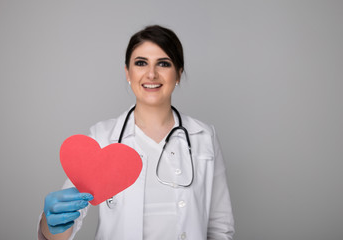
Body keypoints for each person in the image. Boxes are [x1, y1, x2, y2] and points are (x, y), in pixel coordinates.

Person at [38, 25, 235, 240]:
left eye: (164, 63)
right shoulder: (102, 137)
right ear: (127, 73)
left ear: (178, 74)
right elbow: (62, 230)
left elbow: (220, 227)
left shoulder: (204, 136)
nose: (151, 74)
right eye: (141, 63)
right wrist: (51, 222)